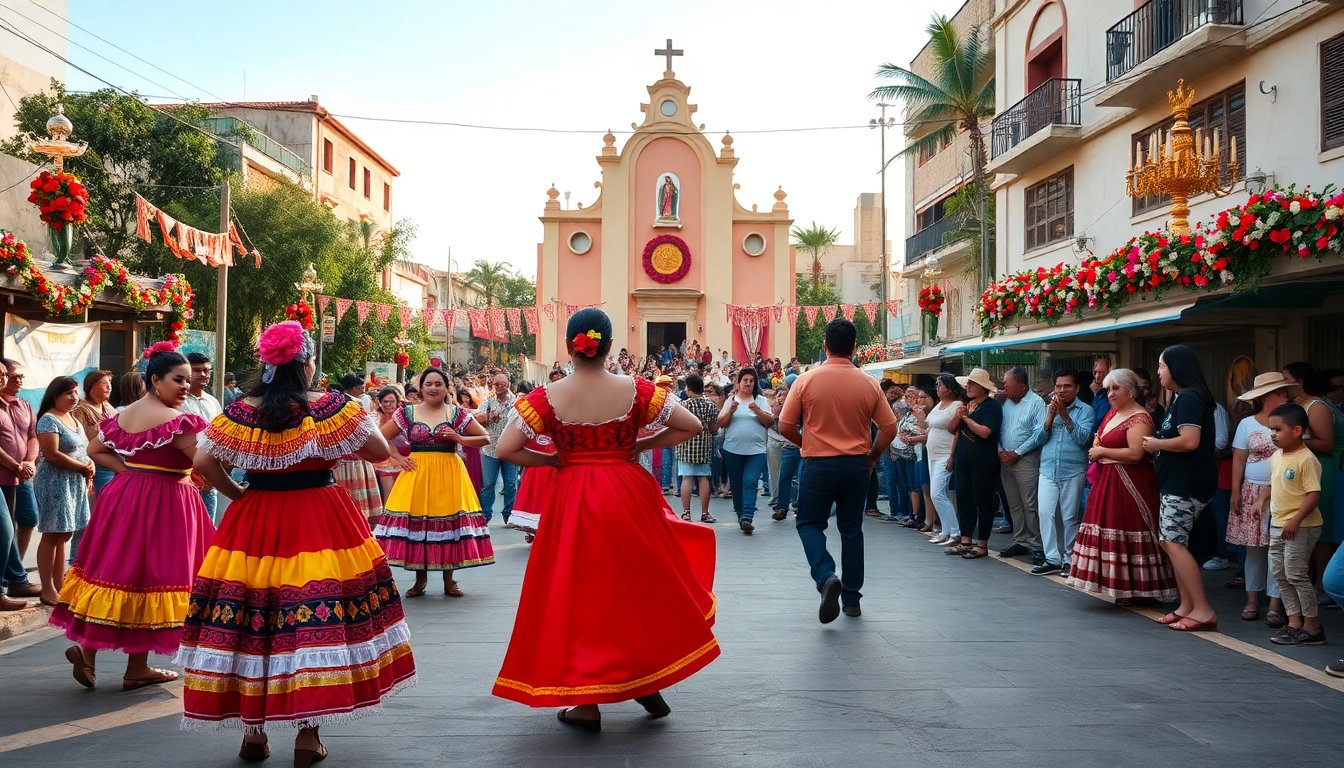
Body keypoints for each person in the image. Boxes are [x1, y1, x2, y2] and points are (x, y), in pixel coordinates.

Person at [179, 321, 412, 763]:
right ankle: (307, 736)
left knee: (254, 621)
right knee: (310, 620)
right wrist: (341, 443)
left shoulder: (240, 411)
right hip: (320, 517)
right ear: (306, 364)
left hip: (255, 519)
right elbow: (380, 452)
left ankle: (254, 734)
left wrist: (235, 493)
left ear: (266, 366)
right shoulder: (331, 407)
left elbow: (205, 459)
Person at [492, 308, 718, 731]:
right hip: (628, 491)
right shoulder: (639, 389)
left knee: (581, 591)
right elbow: (689, 425)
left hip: (574, 495)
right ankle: (643, 677)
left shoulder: (546, 397)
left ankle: (588, 701)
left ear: (569, 347)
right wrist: (639, 443)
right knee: (636, 584)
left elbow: (506, 449)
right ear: (610, 346)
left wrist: (554, 458)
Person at [51, 345, 214, 691]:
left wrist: (128, 469)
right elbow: (203, 461)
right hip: (165, 500)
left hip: (126, 495)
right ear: (156, 380)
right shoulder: (177, 419)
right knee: (151, 576)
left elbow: (96, 449)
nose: (186, 386)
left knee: (115, 572)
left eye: (188, 379)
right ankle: (135, 666)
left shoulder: (125, 413)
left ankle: (90, 653)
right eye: (178, 379)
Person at [779, 319, 896, 622]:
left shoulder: (806, 380)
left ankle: (825, 575)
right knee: (851, 529)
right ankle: (853, 598)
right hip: (856, 464)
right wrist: (872, 455)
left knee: (808, 523)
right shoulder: (868, 382)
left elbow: (784, 424)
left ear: (824, 346)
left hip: (818, 463)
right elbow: (889, 427)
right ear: (854, 348)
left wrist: (806, 442)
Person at [375, 368, 494, 597]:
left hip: (448, 472)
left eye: (438, 384)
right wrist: (398, 458)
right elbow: (381, 436)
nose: (433, 388)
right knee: (419, 526)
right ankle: (420, 580)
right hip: (417, 473)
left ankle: (449, 580)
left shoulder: (456, 413)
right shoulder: (407, 413)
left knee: (448, 525)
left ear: (446, 388)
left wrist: (459, 438)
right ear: (421, 388)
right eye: (428, 384)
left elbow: (484, 438)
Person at [1143, 345, 1219, 631]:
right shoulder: (1182, 398)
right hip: (1177, 481)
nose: (1159, 371)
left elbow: (1189, 441)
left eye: (1162, 365)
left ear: (1176, 368)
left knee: (1173, 542)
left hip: (1186, 484)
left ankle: (1202, 609)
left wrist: (1156, 444)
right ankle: (1186, 605)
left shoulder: (1189, 398)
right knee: (1171, 542)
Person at [1261, 403, 1327, 645]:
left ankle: (1313, 627)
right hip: (1278, 524)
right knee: (1280, 574)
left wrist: (1295, 520)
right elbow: (1274, 483)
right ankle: (1294, 622)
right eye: (1271, 430)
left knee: (1296, 574)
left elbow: (1313, 494)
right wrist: (1262, 499)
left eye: (1278, 429)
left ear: (1297, 430)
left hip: (1301, 526)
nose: (1273, 435)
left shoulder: (1306, 459)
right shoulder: (1277, 456)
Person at [1231, 373, 1291, 624]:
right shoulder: (1247, 424)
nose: (1286, 397)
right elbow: (1238, 458)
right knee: (1254, 550)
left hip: (1283, 492)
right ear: (1267, 397)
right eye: (1282, 393)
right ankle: (1253, 600)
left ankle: (1275, 604)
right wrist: (1236, 491)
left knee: (1277, 550)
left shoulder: (1293, 421)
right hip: (1251, 490)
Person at [33, 376, 93, 605]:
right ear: (55, 395)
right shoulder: (48, 420)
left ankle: (60, 586)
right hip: (54, 482)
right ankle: (47, 588)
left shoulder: (72, 418)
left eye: (75, 392)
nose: (74, 397)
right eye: (68, 393)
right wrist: (83, 467)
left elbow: (83, 450)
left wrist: (90, 465)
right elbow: (52, 454)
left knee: (65, 534)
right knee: (52, 534)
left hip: (75, 481)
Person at [1032, 371, 1096, 576]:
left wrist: (1065, 417)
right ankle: (1051, 558)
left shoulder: (1086, 411)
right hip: (1047, 469)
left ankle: (1070, 558)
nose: (1062, 390)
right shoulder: (1046, 408)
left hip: (1074, 469)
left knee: (1069, 517)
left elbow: (1083, 439)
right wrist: (1050, 417)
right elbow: (1038, 439)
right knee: (1045, 513)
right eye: (1058, 386)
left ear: (1077, 388)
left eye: (1067, 386)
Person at [947, 368, 1002, 560]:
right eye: (968, 384)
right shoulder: (967, 405)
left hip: (983, 461)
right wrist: (959, 416)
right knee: (963, 499)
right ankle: (965, 540)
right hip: (964, 459)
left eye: (973, 384)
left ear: (983, 388)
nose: (968, 387)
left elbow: (985, 432)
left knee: (983, 501)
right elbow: (951, 429)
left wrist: (965, 419)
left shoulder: (991, 407)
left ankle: (982, 544)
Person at [0, 359, 40, 602]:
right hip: (7, 472)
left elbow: (32, 436)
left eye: (6, 374)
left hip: (20, 475)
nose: (13, 379)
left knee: (25, 520)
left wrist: (29, 462)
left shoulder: (23, 405)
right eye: (8, 375)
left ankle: (16, 579)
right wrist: (15, 465)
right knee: (4, 530)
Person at [997, 367, 1045, 562]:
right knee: (1014, 503)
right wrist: (1000, 451)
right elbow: (998, 430)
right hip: (1004, 460)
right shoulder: (1005, 404)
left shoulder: (1037, 403)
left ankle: (1037, 545)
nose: (1004, 388)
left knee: (1030, 504)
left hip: (1026, 460)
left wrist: (1017, 452)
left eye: (1007, 385)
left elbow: (1040, 433)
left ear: (1022, 385)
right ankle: (1020, 540)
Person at [718, 367, 774, 534]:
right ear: (739, 382)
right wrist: (731, 411)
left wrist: (757, 410)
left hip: (756, 451)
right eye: (745, 380)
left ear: (755, 383)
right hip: (732, 449)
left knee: (750, 482)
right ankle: (740, 513)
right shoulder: (731, 401)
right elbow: (721, 423)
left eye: (751, 381)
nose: (748, 383)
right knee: (736, 484)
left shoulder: (761, 401)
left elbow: (770, 422)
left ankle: (747, 517)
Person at [178, 352, 224, 525]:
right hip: (185, 476)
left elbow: (219, 436)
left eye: (207, 370)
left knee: (207, 532)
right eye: (197, 370)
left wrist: (214, 474)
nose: (204, 375)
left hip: (209, 476)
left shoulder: (212, 401)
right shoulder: (178, 401)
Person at [334, 373, 384, 525]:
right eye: (360, 387)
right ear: (352, 389)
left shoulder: (355, 403)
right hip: (349, 461)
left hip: (357, 461)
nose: (363, 390)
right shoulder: (343, 406)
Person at [477, 373, 520, 525]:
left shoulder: (517, 402)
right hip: (490, 448)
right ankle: (485, 515)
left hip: (511, 448)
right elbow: (476, 417)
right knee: (488, 484)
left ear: (509, 384)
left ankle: (508, 514)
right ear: (492, 385)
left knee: (511, 484)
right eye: (497, 384)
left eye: (503, 384)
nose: (500, 387)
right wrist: (487, 417)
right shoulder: (488, 401)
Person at [925, 374, 963, 545]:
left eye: (940, 385)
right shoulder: (939, 404)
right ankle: (946, 531)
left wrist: (952, 456)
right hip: (932, 454)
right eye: (936, 385)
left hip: (945, 454)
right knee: (937, 494)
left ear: (949, 387)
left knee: (937, 493)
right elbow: (929, 424)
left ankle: (955, 532)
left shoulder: (957, 406)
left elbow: (956, 433)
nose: (937, 388)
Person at [676, 373, 718, 524]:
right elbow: (714, 426)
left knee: (687, 478)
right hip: (704, 446)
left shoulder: (684, 405)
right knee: (703, 477)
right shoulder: (710, 404)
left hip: (686, 445)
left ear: (690, 388)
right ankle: (705, 513)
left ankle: (686, 513)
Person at [372, 386, 413, 504]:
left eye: (392, 401)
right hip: (384, 462)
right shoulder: (375, 417)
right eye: (385, 401)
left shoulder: (405, 417)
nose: (388, 404)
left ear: (398, 402)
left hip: (407, 460)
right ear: (379, 402)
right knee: (390, 499)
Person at [454, 387, 485, 493]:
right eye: (463, 396)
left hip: (474, 445)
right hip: (462, 445)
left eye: (467, 397)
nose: (465, 399)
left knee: (475, 472)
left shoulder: (474, 407)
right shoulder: (455, 410)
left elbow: (483, 417)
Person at [1089, 355, 1114, 429]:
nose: (1097, 376)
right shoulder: (1096, 391)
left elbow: (1099, 418)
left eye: (1101, 373)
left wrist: (1098, 393)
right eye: (1095, 372)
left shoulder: (1111, 392)